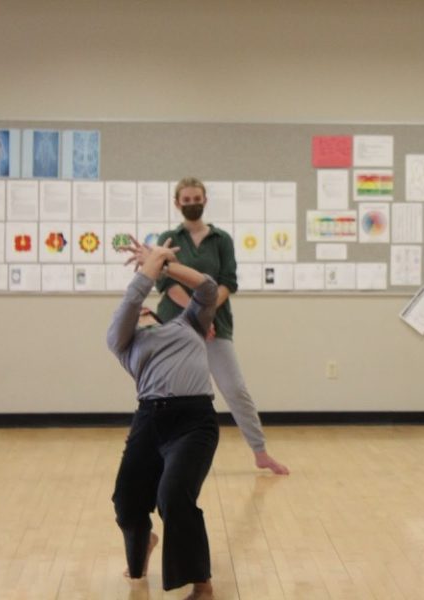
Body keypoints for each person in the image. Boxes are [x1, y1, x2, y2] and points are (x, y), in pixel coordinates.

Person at [107, 237, 219, 600]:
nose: (140, 313)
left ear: (158, 314)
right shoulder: (124, 342)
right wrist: (149, 267)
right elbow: (129, 303)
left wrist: (164, 265)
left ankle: (201, 583)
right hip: (150, 421)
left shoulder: (188, 326)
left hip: (194, 422)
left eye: (145, 310)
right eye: (136, 312)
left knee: (172, 495)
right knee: (126, 501)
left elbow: (207, 288)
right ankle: (143, 545)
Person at [156, 177, 289, 475]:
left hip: (218, 323)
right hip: (175, 326)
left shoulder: (222, 240)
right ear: (177, 204)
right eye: (186, 200)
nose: (192, 204)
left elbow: (229, 282)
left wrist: (207, 314)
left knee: (235, 388)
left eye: (196, 199)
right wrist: (196, 316)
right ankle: (163, 454)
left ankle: (261, 452)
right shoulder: (168, 237)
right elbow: (165, 283)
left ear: (205, 200)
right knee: (167, 392)